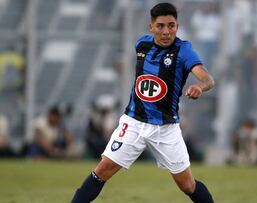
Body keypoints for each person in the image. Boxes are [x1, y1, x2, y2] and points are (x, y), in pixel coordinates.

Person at [71, 3, 215, 203]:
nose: (166, 31)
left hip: (166, 128)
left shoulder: (184, 51)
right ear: (151, 27)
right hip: (134, 123)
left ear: (177, 26)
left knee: (187, 185)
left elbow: (208, 78)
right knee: (103, 169)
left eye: (171, 26)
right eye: (161, 26)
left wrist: (200, 86)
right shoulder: (142, 44)